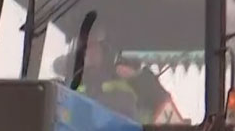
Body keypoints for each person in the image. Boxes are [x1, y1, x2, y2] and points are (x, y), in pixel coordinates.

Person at [53, 25, 182, 124]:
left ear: (104, 49)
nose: (87, 52)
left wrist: (140, 79)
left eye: (92, 46)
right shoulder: (66, 88)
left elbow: (172, 126)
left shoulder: (132, 79)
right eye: (84, 46)